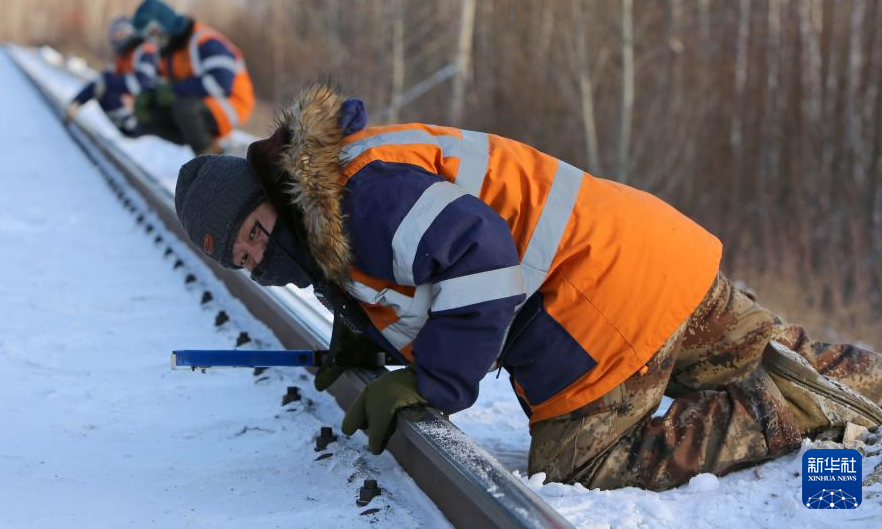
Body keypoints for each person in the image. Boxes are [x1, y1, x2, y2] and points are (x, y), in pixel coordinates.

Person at [172, 83, 882, 491]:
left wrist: (437, 384)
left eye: (257, 230)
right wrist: (358, 330)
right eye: (245, 257)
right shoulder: (337, 184)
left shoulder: (360, 200)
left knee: (580, 462)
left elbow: (479, 254)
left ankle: (774, 409)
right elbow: (412, 270)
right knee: (782, 350)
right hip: (650, 247)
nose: (262, 254)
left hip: (596, 303)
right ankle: (845, 379)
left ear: (271, 191)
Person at [130, 0, 254, 155]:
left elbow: (221, 83)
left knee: (185, 107)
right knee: (153, 113)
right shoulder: (168, 52)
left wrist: (175, 90)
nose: (152, 40)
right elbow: (161, 83)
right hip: (198, 103)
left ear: (164, 23)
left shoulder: (205, 41)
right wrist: (149, 96)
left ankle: (210, 158)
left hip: (233, 103)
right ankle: (205, 147)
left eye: (153, 32)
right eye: (147, 36)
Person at [65, 16, 158, 136]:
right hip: (137, 103)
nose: (117, 38)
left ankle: (135, 125)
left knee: (111, 90)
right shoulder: (124, 56)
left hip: (151, 107)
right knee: (103, 91)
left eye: (120, 34)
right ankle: (128, 125)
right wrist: (77, 101)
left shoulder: (146, 51)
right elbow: (102, 81)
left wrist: (109, 81)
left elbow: (140, 83)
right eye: (115, 35)